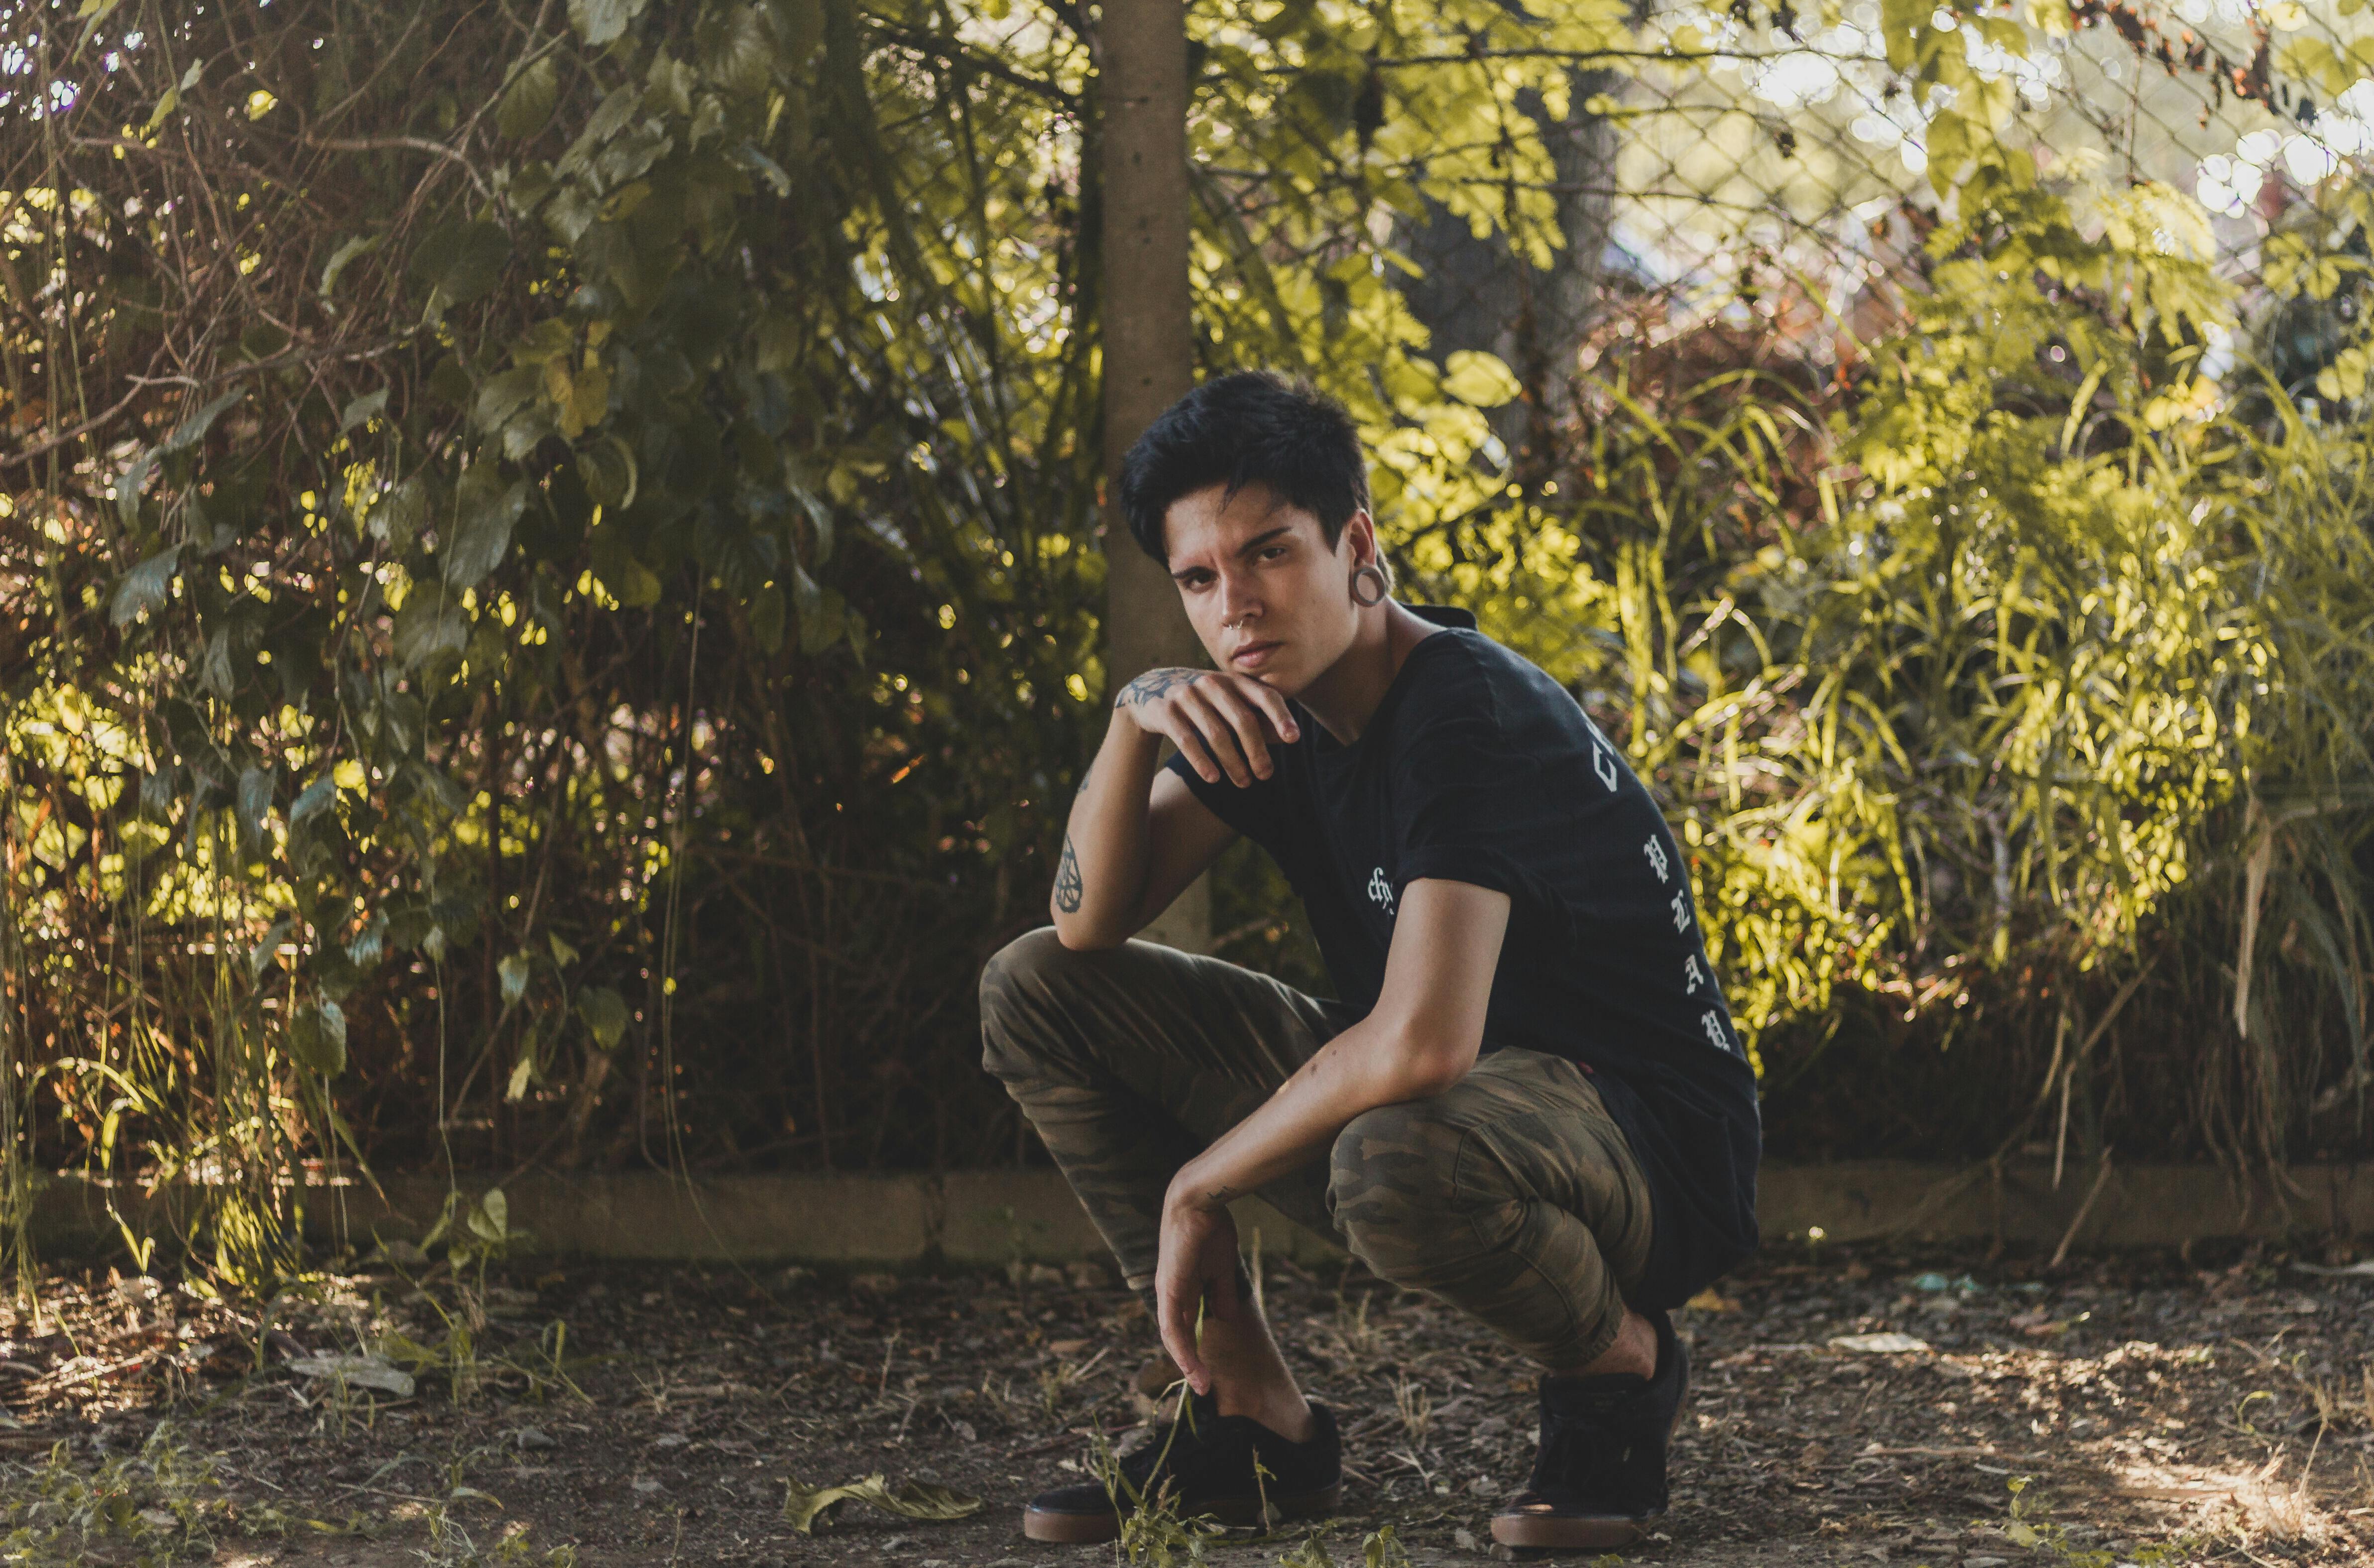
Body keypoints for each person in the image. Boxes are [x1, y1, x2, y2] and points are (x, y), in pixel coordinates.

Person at [979, 370, 1761, 1551]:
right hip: (1459, 1103)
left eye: (1268, 554)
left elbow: (1422, 1041)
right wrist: (1129, 723)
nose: (1235, 605)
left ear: (1356, 546)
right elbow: (1085, 929)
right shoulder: (1278, 701)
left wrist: (1201, 1183)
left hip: (1643, 1149)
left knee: (1393, 1154)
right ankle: (1248, 1417)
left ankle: (1616, 1371)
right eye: (1199, 579)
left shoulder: (1460, 711)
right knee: (1032, 989)